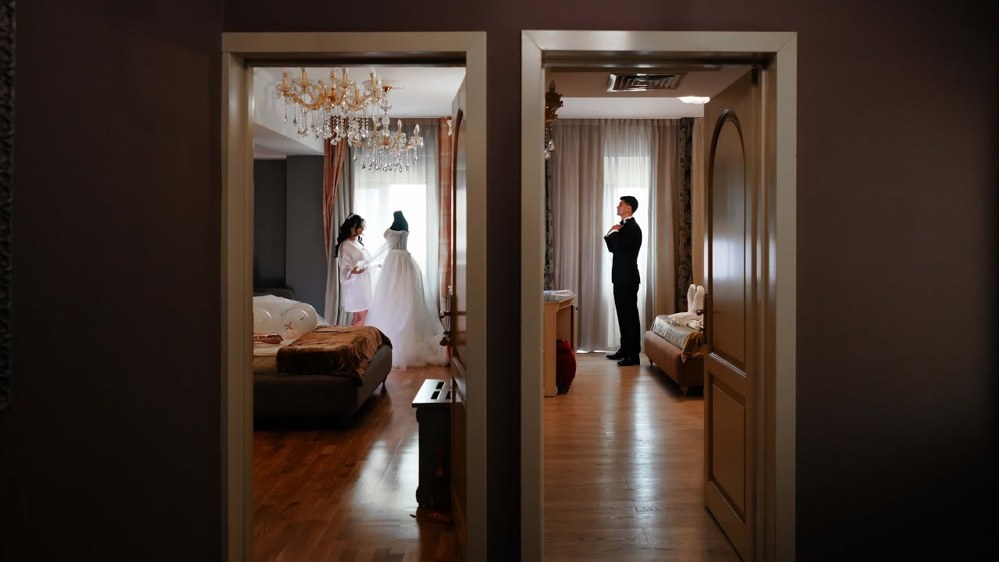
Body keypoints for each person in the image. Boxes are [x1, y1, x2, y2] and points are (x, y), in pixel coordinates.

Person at [364, 210, 447, 369]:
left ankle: (403, 339)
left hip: (394, 262)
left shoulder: (396, 227)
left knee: (403, 300)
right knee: (394, 300)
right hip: (403, 262)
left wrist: (366, 263)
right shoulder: (403, 224)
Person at [604, 196, 643, 366]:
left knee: (629, 316)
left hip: (627, 278)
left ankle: (633, 355)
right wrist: (612, 231)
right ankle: (625, 349)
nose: (617, 206)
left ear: (629, 209)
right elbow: (612, 248)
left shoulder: (632, 228)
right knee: (623, 315)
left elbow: (619, 249)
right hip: (621, 278)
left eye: (621, 204)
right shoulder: (624, 227)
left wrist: (614, 231)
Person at [334, 213, 372, 326]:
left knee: (358, 317)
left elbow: (367, 261)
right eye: (358, 226)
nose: (362, 229)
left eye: (362, 226)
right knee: (364, 318)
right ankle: (352, 336)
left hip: (363, 285)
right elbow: (344, 267)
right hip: (355, 286)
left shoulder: (358, 244)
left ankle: (350, 336)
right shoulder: (345, 245)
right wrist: (353, 271)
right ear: (351, 227)